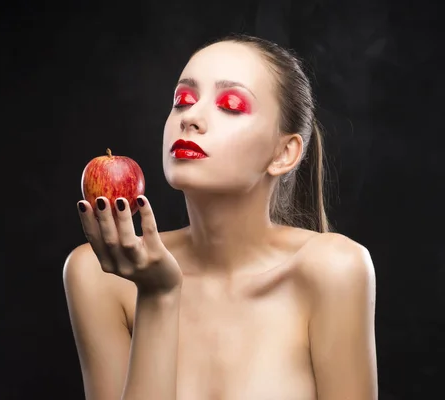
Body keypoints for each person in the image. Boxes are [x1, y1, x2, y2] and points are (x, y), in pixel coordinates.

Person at [63, 33, 378, 400]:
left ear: (284, 153)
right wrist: (157, 295)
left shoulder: (334, 269)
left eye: (230, 105)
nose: (191, 118)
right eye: (183, 100)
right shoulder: (100, 274)